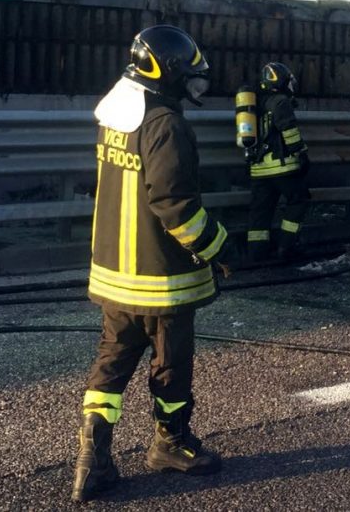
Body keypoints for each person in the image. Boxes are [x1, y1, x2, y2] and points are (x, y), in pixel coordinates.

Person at [72, 25, 230, 503]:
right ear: (168, 74)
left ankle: (90, 461)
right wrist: (219, 247)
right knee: (171, 365)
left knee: (112, 362)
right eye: (189, 76)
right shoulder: (166, 124)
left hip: (116, 274)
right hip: (160, 278)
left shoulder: (119, 116)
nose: (193, 86)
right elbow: (174, 204)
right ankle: (172, 444)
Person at [244, 62, 311, 262]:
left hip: (258, 169)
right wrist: (302, 154)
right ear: (282, 80)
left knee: (260, 211)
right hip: (282, 167)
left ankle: (256, 253)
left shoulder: (254, 103)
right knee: (299, 200)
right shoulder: (281, 102)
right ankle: (286, 247)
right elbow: (289, 131)